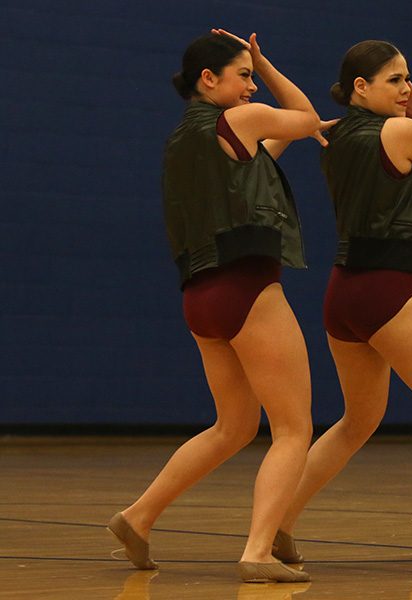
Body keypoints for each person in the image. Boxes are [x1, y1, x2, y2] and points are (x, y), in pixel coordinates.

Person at [272, 40, 412, 579]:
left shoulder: (334, 137)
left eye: (408, 80)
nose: (407, 89)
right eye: (397, 80)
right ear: (362, 86)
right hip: (391, 291)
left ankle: (279, 521)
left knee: (358, 420)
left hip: (344, 293)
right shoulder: (400, 129)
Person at [107, 29, 329, 583]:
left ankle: (139, 516)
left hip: (200, 299)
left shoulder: (185, 138)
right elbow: (305, 117)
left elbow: (263, 153)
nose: (253, 86)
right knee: (294, 428)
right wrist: (270, 62)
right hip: (247, 287)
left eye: (253, 75)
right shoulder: (239, 121)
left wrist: (257, 80)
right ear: (209, 79)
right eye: (244, 75)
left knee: (233, 426)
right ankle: (256, 551)